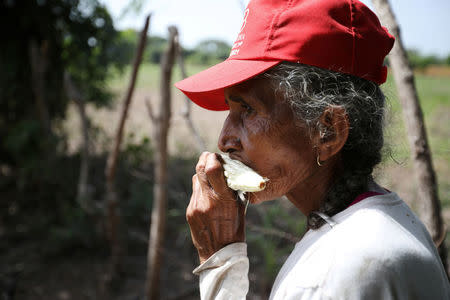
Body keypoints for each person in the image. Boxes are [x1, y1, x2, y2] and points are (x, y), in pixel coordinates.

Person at [175, 0, 450, 299]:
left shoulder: (339, 271)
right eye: (230, 108)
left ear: (328, 131)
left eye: (249, 109)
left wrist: (220, 263)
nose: (225, 139)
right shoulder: (386, 224)